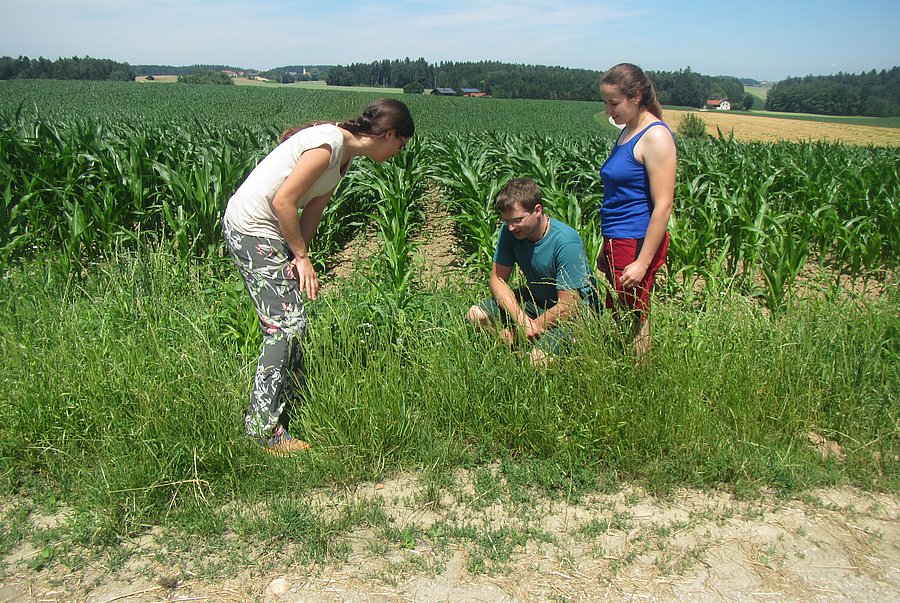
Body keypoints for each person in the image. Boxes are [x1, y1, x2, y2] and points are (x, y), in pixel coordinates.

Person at [222, 98, 414, 454]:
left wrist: (298, 260)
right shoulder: (328, 144)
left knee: (295, 321)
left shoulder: (344, 158)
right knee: (284, 324)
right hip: (250, 227)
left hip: (269, 229)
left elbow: (314, 209)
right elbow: (283, 201)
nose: (398, 153)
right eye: (400, 146)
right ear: (388, 135)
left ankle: (286, 406)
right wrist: (301, 255)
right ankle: (263, 429)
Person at [466, 178, 595, 366]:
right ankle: (512, 356)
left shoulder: (566, 242)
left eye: (517, 220)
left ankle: (545, 352)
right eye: (506, 221)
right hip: (536, 300)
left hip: (573, 315)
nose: (511, 227)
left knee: (537, 361)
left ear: (538, 210)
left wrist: (523, 330)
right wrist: (520, 320)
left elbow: (570, 306)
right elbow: (497, 280)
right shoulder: (510, 232)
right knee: (476, 315)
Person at [597, 63, 676, 357]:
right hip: (618, 238)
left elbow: (663, 205)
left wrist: (642, 262)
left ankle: (637, 382)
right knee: (620, 313)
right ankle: (624, 373)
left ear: (637, 96)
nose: (609, 110)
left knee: (635, 318)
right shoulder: (629, 131)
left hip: (636, 239)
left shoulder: (655, 136)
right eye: (605, 102)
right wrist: (607, 246)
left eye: (614, 102)